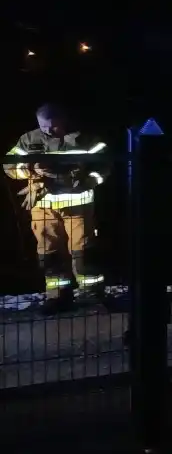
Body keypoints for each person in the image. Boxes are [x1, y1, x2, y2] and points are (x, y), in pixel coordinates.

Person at [5, 104, 110, 313]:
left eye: (53, 126)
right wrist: (30, 169)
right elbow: (9, 164)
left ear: (63, 121)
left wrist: (88, 181)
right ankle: (58, 296)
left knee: (83, 249)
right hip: (44, 208)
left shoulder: (85, 139)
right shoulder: (29, 139)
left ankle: (91, 293)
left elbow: (105, 164)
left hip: (78, 205)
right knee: (49, 251)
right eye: (43, 126)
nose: (48, 131)